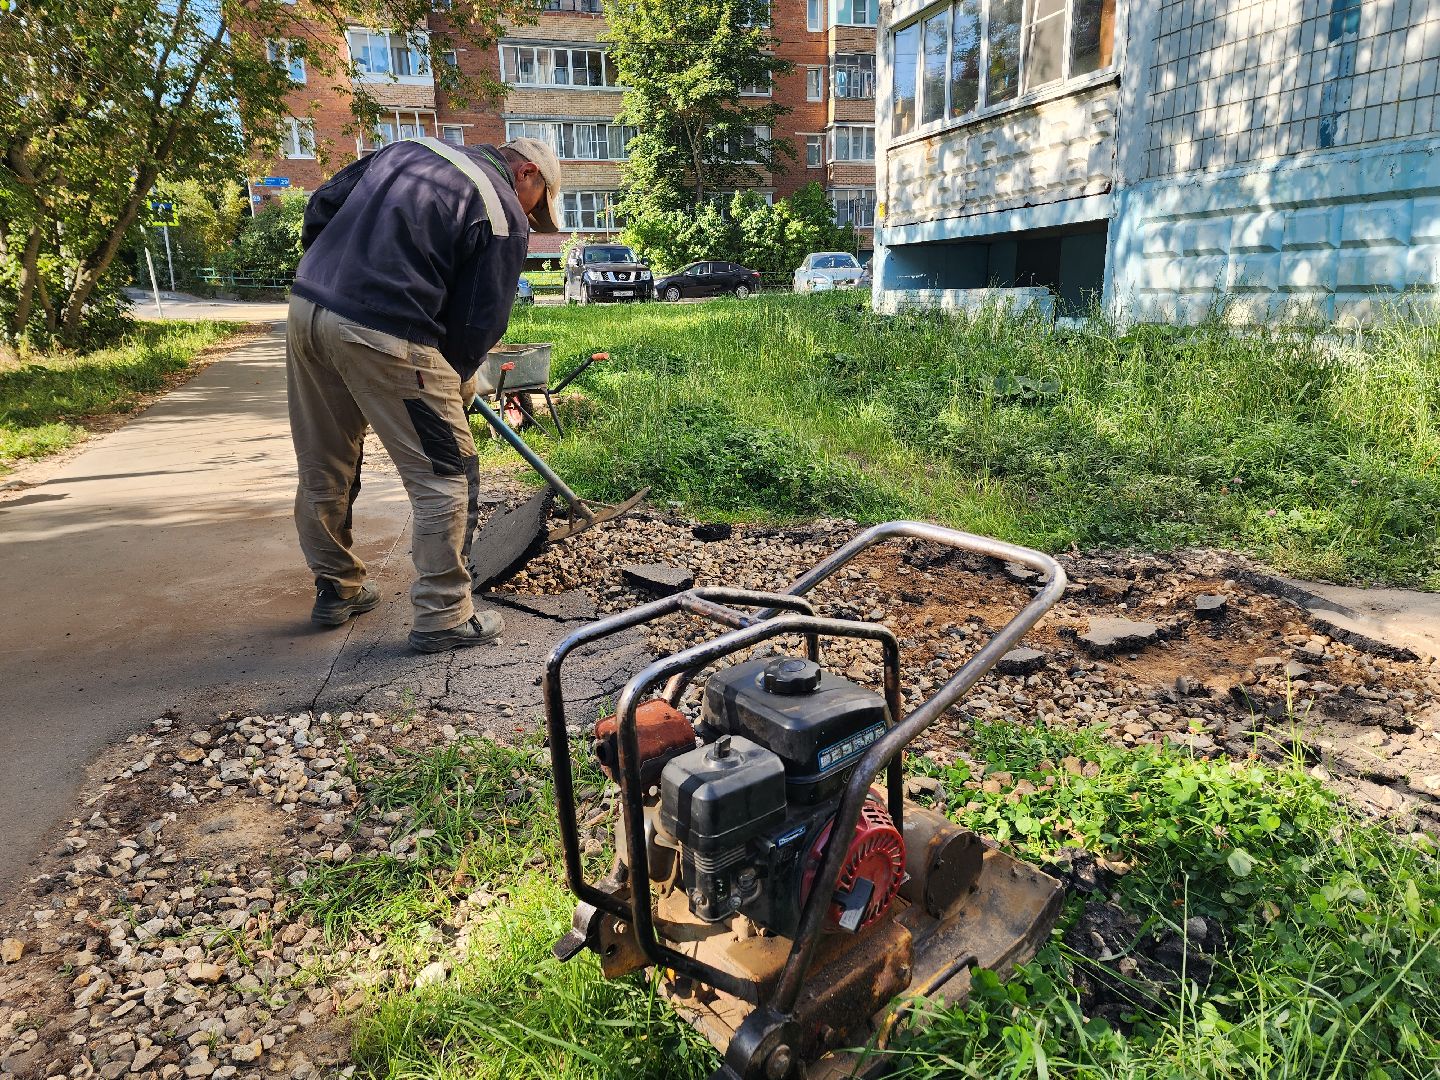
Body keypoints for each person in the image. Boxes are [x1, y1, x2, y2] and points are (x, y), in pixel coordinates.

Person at [285, 136, 561, 653]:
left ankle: (337, 588)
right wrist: (452, 380)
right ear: (526, 172)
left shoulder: (406, 152)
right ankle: (443, 615)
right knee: (446, 476)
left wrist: (336, 279)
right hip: (386, 330)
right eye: (538, 202)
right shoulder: (502, 210)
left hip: (308, 311)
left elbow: (322, 205)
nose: (532, 215)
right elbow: (479, 321)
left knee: (325, 462)